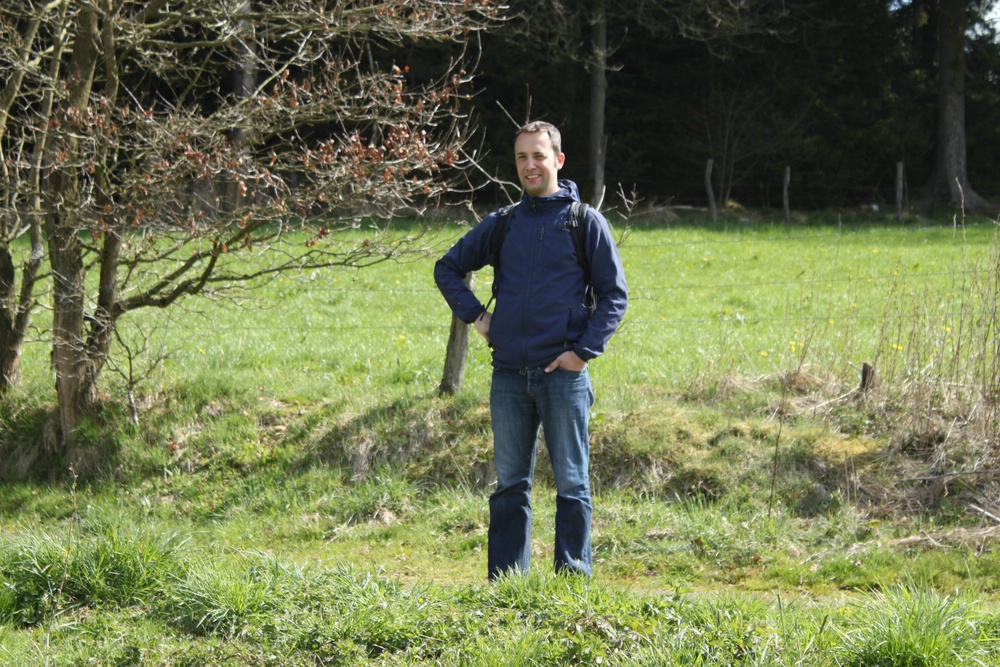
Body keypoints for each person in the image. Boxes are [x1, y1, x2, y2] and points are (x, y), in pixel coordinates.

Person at [434, 120, 628, 579]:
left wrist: (582, 353)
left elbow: (614, 296)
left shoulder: (584, 221)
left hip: (564, 376)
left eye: (539, 155)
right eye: (522, 157)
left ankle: (571, 584)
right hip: (508, 375)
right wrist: (478, 317)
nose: (530, 165)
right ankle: (507, 584)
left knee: (573, 485)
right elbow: (447, 268)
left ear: (558, 160)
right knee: (509, 487)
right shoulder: (504, 223)